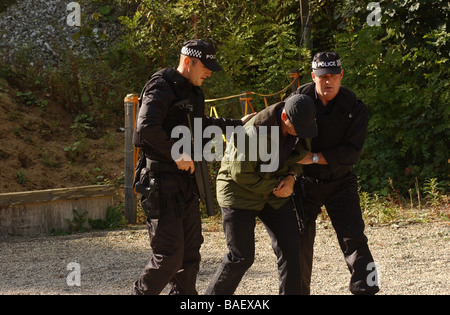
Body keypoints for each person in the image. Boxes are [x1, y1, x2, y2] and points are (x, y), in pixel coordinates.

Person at [132, 39, 253, 295]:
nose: (209, 72)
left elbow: (201, 123)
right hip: (160, 181)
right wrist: (175, 154)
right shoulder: (161, 86)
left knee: (189, 256)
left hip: (185, 182)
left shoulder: (193, 90)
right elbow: (145, 128)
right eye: (205, 67)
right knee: (169, 257)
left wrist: (236, 124)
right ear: (188, 61)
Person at [205, 94, 318, 295]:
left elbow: (296, 159)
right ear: (285, 118)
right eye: (298, 129)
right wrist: (276, 185)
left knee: (293, 249)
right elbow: (241, 175)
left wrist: (291, 177)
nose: (302, 133)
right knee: (241, 257)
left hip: (272, 190)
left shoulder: (302, 123)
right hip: (238, 192)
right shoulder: (252, 133)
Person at [294, 51, 380, 295]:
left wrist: (314, 158)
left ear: (341, 75)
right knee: (297, 241)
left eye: (333, 76)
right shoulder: (299, 99)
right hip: (304, 181)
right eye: (322, 77)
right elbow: (284, 138)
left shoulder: (354, 106)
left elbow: (352, 152)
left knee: (355, 238)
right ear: (313, 76)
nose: (327, 81)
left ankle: (367, 289)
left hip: (340, 180)